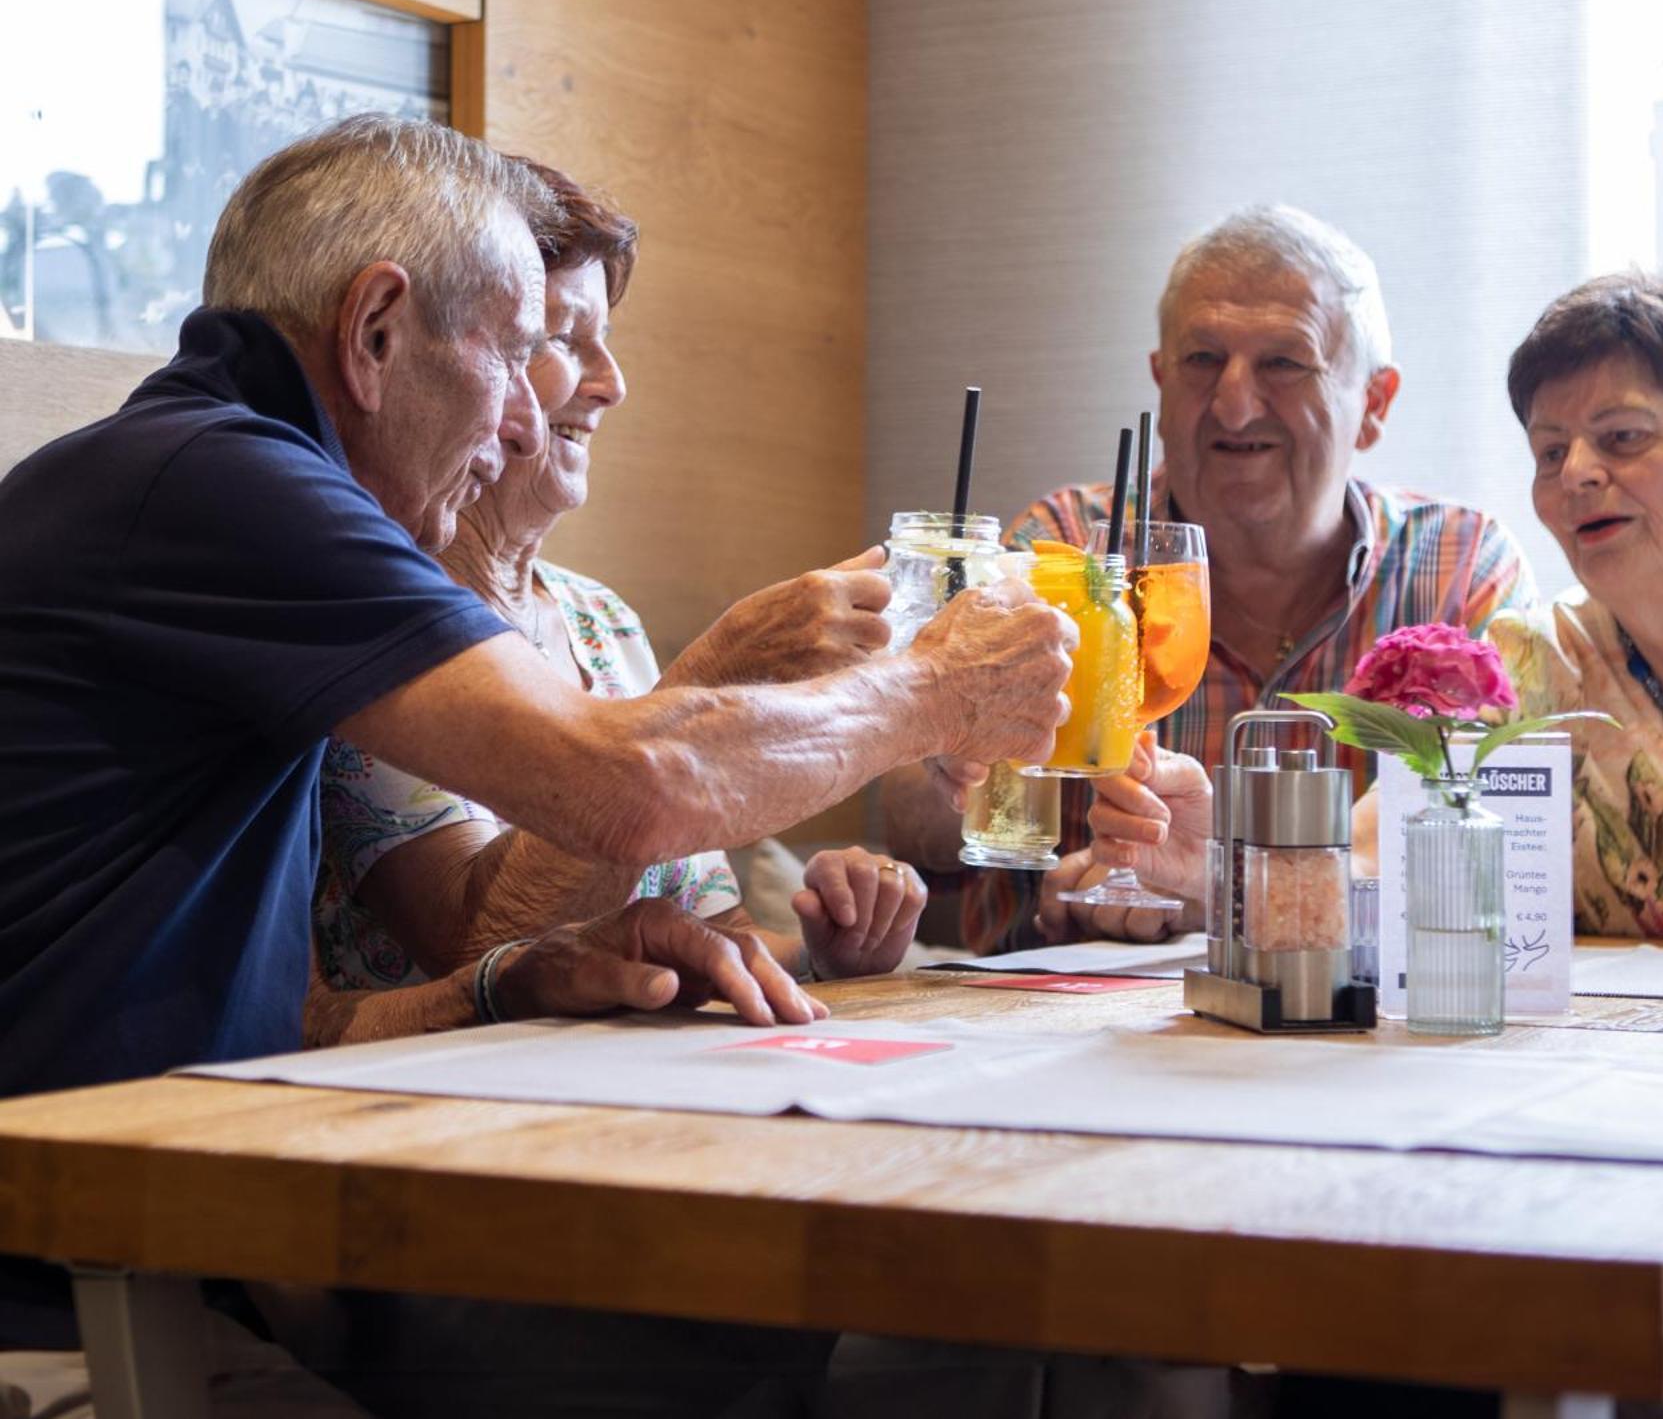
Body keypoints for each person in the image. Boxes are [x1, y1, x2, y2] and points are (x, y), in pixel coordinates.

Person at [0, 114, 1072, 1377]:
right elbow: (632, 786)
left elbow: (246, 1005)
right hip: (68, 1288)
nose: (525, 417)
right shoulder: (224, 482)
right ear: (375, 331)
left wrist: (513, 979)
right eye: (517, 353)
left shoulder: (208, 474)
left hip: (154, 1231)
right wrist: (934, 691)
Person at [1090, 273, 1663, 951]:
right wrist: (1217, 870)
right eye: (1550, 448)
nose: (1576, 474)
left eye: (1623, 438)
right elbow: (1378, 868)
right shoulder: (1532, 668)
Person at [310, 160, 927, 1045]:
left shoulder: (599, 619)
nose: (612, 382)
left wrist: (828, 949)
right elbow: (482, 951)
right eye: (565, 338)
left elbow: (713, 939)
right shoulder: (377, 617)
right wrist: (722, 674)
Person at [884, 204, 1536, 952]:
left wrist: (1223, 885)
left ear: (1374, 405)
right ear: (1161, 381)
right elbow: (906, 811)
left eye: (1284, 362)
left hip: (1352, 1029)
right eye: (1202, 360)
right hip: (1056, 1015)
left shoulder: (1460, 571)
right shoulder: (1064, 551)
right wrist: (961, 774)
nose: (1233, 400)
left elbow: (1495, 843)